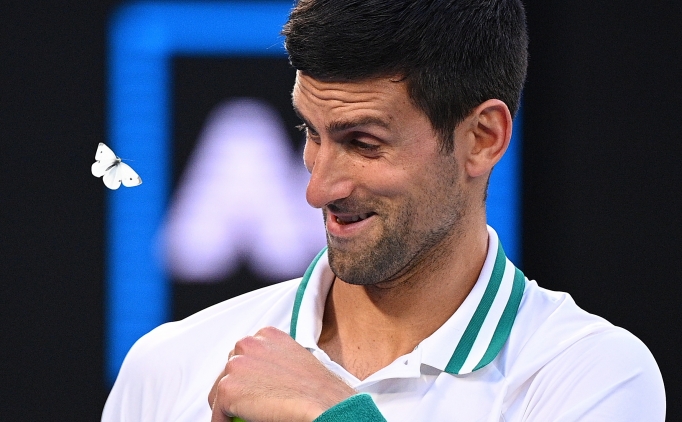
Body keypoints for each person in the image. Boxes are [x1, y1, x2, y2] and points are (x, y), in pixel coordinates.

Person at [102, 0, 666, 421]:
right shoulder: (169, 366)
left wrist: (338, 415)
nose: (318, 188)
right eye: (311, 132)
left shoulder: (591, 374)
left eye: (363, 143)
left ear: (482, 139)